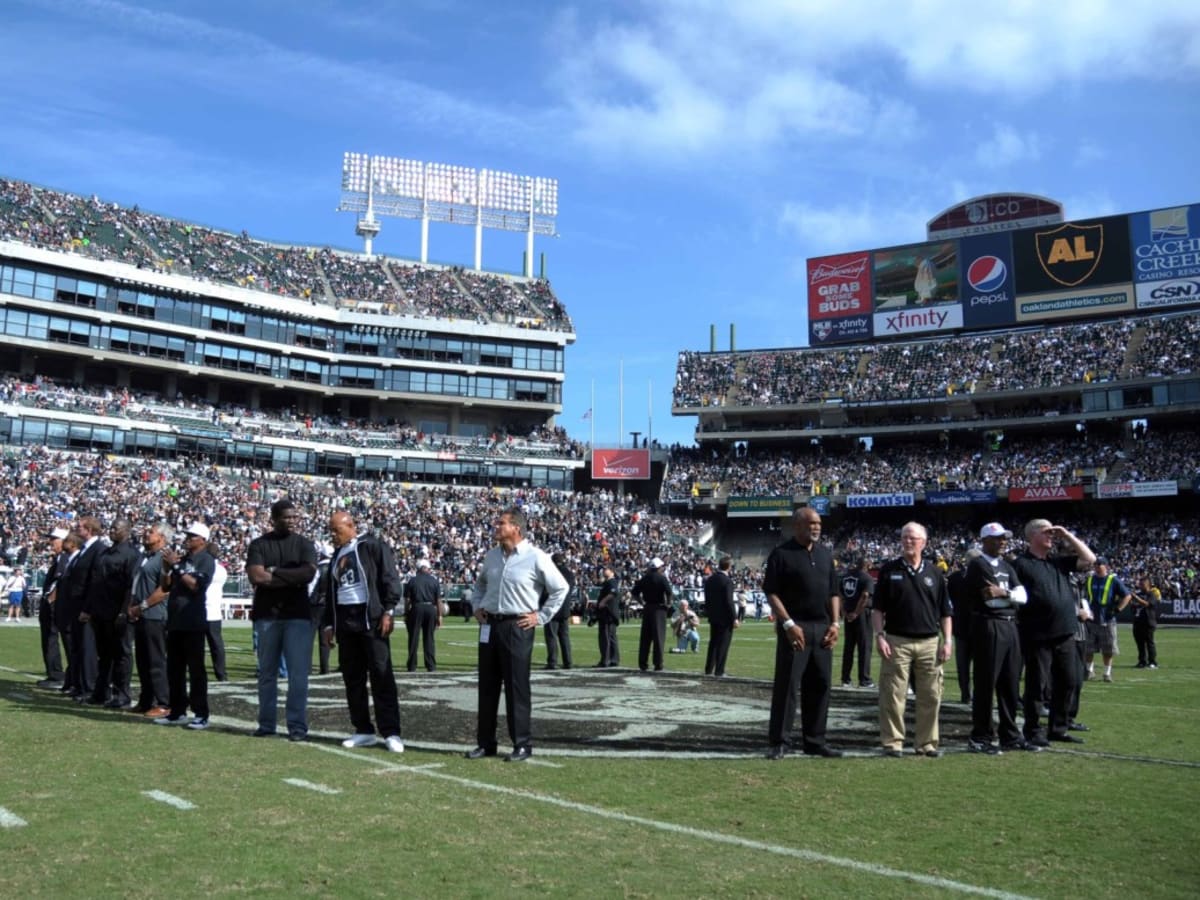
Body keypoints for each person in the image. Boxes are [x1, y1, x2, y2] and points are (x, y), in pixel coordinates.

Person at [465, 507, 568, 762]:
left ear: (516, 528)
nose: (496, 526)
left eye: (501, 523)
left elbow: (560, 588)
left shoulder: (536, 557)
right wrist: (477, 607)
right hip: (490, 625)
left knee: (516, 687)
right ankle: (486, 743)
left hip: (517, 626)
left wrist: (540, 617)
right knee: (487, 687)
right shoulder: (491, 556)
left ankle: (522, 743)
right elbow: (479, 586)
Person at [763, 507, 843, 760]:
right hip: (794, 628)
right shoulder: (781, 554)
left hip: (822, 628)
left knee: (820, 685)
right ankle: (780, 741)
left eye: (819, 523)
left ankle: (815, 740)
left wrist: (836, 623)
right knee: (788, 686)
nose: (817, 527)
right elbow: (771, 592)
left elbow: (833, 592)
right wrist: (787, 623)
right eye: (811, 523)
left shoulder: (825, 555)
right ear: (798, 526)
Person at [322, 511, 405, 753]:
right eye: (331, 530)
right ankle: (363, 729)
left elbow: (390, 577)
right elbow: (331, 593)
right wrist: (329, 624)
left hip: (371, 618)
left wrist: (389, 609)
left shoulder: (371, 546)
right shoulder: (336, 555)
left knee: (381, 674)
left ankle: (391, 731)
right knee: (352, 677)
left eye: (336, 530)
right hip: (346, 621)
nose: (333, 535)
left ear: (351, 525)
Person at [1011, 519, 1096, 747]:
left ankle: (1058, 728)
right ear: (1032, 536)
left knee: (1069, 681)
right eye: (1046, 532)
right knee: (1037, 686)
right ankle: (1032, 730)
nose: (1052, 536)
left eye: (1053, 532)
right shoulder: (1021, 564)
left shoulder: (1057, 562)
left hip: (1065, 632)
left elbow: (1090, 559)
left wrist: (1067, 533)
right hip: (1038, 634)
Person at [872, 522, 953, 758]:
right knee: (893, 694)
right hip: (897, 640)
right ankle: (893, 742)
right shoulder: (888, 570)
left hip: (929, 642)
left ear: (924, 543)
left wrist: (947, 641)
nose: (908, 541)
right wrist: (880, 636)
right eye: (905, 537)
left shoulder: (935, 573)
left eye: (913, 538)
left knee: (931, 695)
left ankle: (926, 743)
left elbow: (946, 612)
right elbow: (877, 609)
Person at [245, 498, 318, 741]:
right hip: (267, 616)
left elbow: (308, 574)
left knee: (298, 675)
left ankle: (297, 727)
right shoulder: (259, 544)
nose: (292, 521)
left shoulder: (305, 544)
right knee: (267, 674)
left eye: (295, 516)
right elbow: (257, 576)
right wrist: (291, 577)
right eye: (286, 517)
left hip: (297, 615)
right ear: (273, 519)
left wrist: (275, 572)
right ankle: (266, 724)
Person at [964, 525, 1030, 754]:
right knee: (986, 682)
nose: (1003, 542)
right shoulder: (978, 565)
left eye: (1004, 538)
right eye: (998, 538)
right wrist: (1011, 596)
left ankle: (1010, 735)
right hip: (989, 624)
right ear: (985, 540)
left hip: (1010, 626)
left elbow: (1023, 597)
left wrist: (1006, 594)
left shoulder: (1006, 566)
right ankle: (980, 737)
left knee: (1010, 683)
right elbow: (990, 601)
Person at [155, 521, 216, 729]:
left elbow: (196, 585)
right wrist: (166, 569)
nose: (188, 539)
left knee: (196, 670)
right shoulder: (183, 559)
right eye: (187, 536)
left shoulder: (206, 560)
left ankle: (201, 713)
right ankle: (178, 710)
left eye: (192, 536)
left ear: (203, 540)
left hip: (193, 621)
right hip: (176, 620)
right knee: (175, 669)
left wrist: (176, 566)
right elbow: (165, 586)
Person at [84, 518, 141, 708]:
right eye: (111, 528)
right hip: (101, 611)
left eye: (116, 528)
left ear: (126, 531)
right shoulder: (106, 553)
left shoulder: (131, 555)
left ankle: (122, 694)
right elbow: (96, 583)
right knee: (104, 655)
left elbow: (130, 586)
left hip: (118, 612)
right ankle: (101, 692)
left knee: (121, 654)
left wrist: (124, 612)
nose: (111, 530)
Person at [126, 522, 172, 718]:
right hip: (141, 614)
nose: (146, 533)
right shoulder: (145, 557)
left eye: (151, 532)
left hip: (155, 615)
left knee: (156, 660)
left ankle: (164, 702)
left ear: (162, 538)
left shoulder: (164, 558)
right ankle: (146, 700)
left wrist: (141, 606)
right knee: (143, 660)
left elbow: (164, 590)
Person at [1084, 558, 1131, 682]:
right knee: (1088, 648)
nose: (1097, 566)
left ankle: (1107, 673)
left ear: (1106, 566)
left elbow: (1127, 595)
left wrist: (1118, 609)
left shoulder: (1113, 580)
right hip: (1090, 619)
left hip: (1107, 619)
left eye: (1100, 564)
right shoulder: (1089, 579)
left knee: (1108, 648)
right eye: (1095, 564)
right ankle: (1089, 671)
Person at [35, 528, 69, 687]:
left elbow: (60, 580)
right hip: (53, 603)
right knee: (49, 638)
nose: (51, 542)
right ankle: (55, 673)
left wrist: (50, 600)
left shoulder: (65, 558)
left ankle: (57, 675)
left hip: (57, 605)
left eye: (54, 539)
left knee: (53, 638)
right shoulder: (59, 558)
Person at [838, 555, 875, 688]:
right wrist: (856, 613)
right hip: (861, 615)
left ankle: (845, 679)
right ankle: (864, 680)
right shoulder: (867, 578)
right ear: (866, 565)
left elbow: (840, 595)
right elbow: (865, 596)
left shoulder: (846, 577)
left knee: (848, 647)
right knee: (864, 647)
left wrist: (844, 612)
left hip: (848, 614)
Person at [946, 551, 977, 704]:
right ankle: (975, 695)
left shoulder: (954, 578)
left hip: (960, 626)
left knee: (963, 665)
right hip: (978, 626)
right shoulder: (985, 577)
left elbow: (947, 603)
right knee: (980, 665)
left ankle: (966, 695)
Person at [632, 556, 673, 672]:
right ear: (659, 567)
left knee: (645, 637)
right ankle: (658, 663)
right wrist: (668, 604)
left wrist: (642, 603)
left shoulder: (644, 578)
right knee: (658, 638)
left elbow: (635, 593)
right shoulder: (661, 578)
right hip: (659, 609)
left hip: (647, 608)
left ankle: (642, 663)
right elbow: (669, 592)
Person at [404, 558, 443, 672]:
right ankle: (431, 665)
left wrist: (406, 613)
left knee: (413, 639)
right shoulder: (434, 581)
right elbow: (438, 600)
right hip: (430, 609)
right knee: (429, 639)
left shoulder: (412, 581)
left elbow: (407, 600)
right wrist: (439, 615)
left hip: (417, 608)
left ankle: (412, 666)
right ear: (426, 568)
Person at [703, 557, 739, 677]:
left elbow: (707, 600)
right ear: (728, 567)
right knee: (723, 644)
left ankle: (708, 669)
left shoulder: (710, 580)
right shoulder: (727, 581)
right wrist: (734, 617)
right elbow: (729, 601)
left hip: (714, 616)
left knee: (713, 643)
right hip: (725, 617)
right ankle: (719, 670)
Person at [543, 552, 574, 670]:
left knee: (551, 636)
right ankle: (568, 661)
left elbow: (546, 590)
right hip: (565, 608)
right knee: (564, 636)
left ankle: (552, 661)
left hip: (552, 608)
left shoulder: (551, 573)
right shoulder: (569, 574)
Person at [204, 542, 228, 681]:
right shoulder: (221, 570)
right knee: (217, 645)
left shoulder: (207, 567)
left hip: (202, 611)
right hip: (214, 612)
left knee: (197, 646)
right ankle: (221, 674)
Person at [594, 566, 621, 668]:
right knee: (611, 637)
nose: (604, 571)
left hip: (607, 614)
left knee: (605, 637)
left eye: (607, 569)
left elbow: (613, 592)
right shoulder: (608, 582)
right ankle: (614, 659)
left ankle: (606, 660)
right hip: (610, 614)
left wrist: (603, 601)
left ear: (612, 571)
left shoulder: (611, 582)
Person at [1131, 574, 1160, 669]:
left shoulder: (1152, 594)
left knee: (1149, 643)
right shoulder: (1138, 594)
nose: (1140, 586)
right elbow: (1133, 606)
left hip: (1148, 622)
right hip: (1138, 621)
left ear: (1148, 585)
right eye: (1140, 584)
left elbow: (1148, 604)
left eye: (1142, 584)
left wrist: (1136, 599)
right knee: (1140, 644)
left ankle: (1152, 662)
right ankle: (1142, 661)